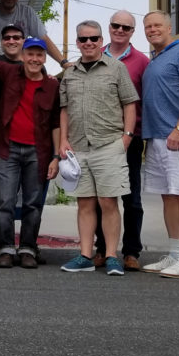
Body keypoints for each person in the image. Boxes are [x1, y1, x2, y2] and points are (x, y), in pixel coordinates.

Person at [58, 20, 138, 276]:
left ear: (101, 41)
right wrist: (63, 141)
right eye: (83, 39)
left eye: (93, 38)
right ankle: (85, 255)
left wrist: (126, 137)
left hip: (108, 144)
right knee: (85, 203)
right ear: (78, 43)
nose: (89, 43)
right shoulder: (70, 74)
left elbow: (129, 103)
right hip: (79, 147)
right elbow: (64, 110)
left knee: (108, 202)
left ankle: (113, 256)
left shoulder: (116, 69)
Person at [139, 10, 179, 279]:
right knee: (168, 195)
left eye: (157, 25)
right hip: (157, 137)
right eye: (148, 26)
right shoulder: (154, 59)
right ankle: (175, 254)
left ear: (169, 27)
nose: (152, 29)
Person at [0, 38, 61, 269]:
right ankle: (5, 248)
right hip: (8, 148)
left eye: (39, 55)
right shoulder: (9, 73)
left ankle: (28, 249)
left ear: (44, 59)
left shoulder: (52, 86)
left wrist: (56, 157)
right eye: (30, 54)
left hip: (38, 152)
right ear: (22, 56)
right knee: (4, 201)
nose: (34, 59)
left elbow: (55, 123)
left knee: (33, 203)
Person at [92, 10, 150, 271]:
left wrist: (133, 135)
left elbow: (144, 101)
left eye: (126, 27)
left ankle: (131, 252)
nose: (120, 30)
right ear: (109, 27)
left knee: (132, 198)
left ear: (132, 32)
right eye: (116, 25)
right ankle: (103, 249)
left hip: (129, 139)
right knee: (100, 198)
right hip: (98, 139)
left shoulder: (141, 62)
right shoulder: (93, 54)